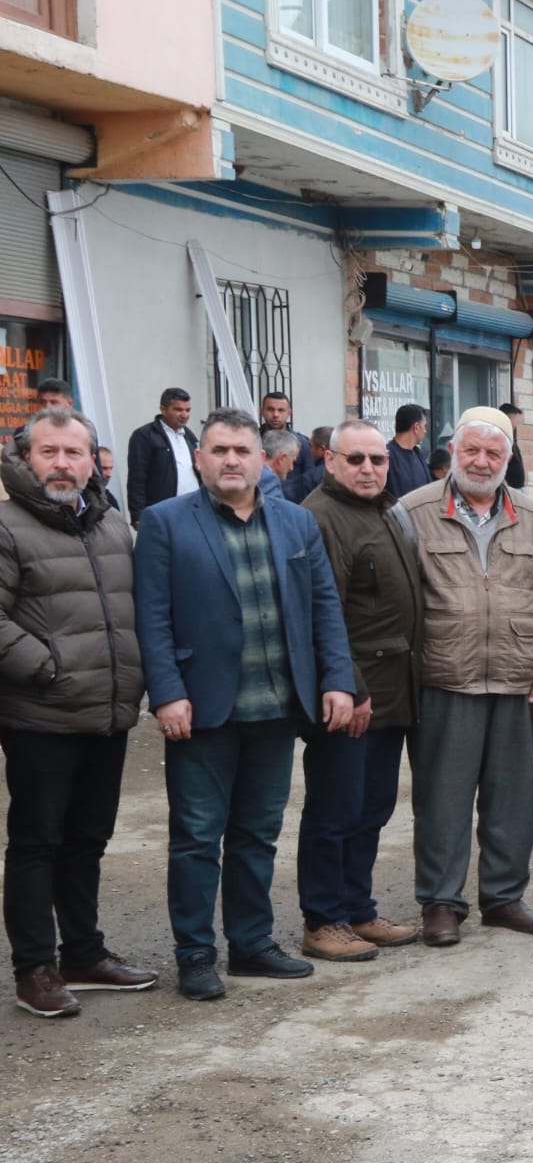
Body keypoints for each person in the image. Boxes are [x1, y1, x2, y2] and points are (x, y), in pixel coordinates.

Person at [134, 409, 356, 1001]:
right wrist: (167, 694)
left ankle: (252, 944)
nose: (231, 460)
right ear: (200, 458)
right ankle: (196, 954)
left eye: (241, 450)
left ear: (262, 459)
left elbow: (324, 608)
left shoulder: (295, 524)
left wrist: (337, 680)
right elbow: (151, 619)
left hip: (277, 708)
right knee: (197, 839)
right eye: (219, 450)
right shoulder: (164, 523)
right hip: (203, 711)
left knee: (258, 834)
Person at [1, 408, 156, 1017]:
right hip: (41, 714)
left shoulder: (111, 524)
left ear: (93, 460)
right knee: (38, 842)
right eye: (49, 453)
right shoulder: (9, 525)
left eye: (74, 452)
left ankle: (83, 954)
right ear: (25, 458)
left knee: (88, 839)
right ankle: (34, 967)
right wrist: (48, 667)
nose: (62, 464)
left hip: (108, 711)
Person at [393, 407, 533, 948]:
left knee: (513, 797)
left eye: (494, 453)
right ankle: (441, 903)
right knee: (441, 798)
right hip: (444, 677)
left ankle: (504, 898)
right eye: (472, 450)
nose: (481, 461)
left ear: (508, 460)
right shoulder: (412, 510)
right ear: (452, 452)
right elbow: (398, 598)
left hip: (517, 678)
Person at [296, 420, 423, 962]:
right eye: (356, 460)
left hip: (392, 689)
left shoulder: (384, 511)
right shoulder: (320, 518)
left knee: (371, 806)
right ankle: (324, 919)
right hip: (349, 695)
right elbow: (324, 616)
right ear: (329, 461)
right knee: (335, 807)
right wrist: (348, 685)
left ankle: (358, 908)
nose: (369, 469)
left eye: (377, 459)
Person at [124, 387, 199, 524]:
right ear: (163, 409)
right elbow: (137, 478)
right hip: (162, 513)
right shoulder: (144, 436)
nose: (184, 415)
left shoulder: (190, 438)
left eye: (187, 410)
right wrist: (138, 515)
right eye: (178, 409)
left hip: (193, 512)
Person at [259, 392, 317, 501]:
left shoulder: (302, 444)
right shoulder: (252, 441)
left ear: (289, 413)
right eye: (270, 409)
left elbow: (310, 479)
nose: (276, 415)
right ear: (261, 411)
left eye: (281, 410)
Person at [385, 403, 434, 496]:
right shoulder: (388, 456)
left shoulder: (418, 453)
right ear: (416, 427)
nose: (425, 431)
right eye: (424, 426)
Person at [495, 402, 527, 489]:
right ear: (507, 418)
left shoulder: (509, 437)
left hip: (517, 488)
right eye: (515, 421)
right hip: (509, 489)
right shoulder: (499, 438)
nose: (515, 425)